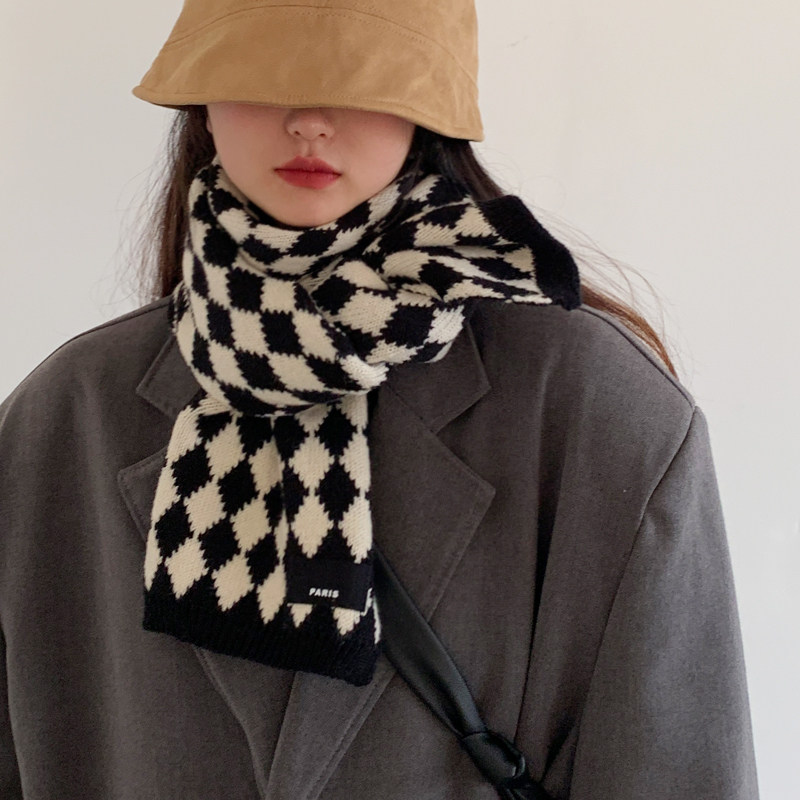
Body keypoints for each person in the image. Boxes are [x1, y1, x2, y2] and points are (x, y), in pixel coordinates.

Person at [0, 1, 759, 798]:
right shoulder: (62, 424)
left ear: (429, 105)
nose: (308, 120)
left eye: (359, 76)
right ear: (202, 95)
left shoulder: (596, 416)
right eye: (264, 71)